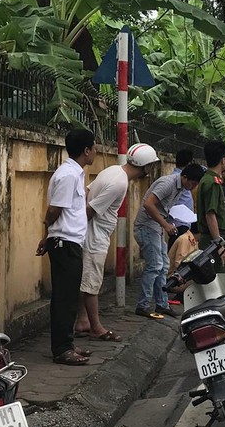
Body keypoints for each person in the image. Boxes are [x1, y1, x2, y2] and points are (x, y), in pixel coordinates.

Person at [75, 143, 160, 341]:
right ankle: (96, 327)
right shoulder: (119, 182)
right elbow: (91, 210)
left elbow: (88, 192)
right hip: (95, 236)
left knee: (85, 280)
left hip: (92, 233)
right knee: (91, 283)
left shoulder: (112, 170)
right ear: (146, 166)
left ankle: (82, 321)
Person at [36, 128, 97, 365]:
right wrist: (48, 231)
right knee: (65, 298)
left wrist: (48, 235)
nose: (95, 151)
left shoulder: (75, 174)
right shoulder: (69, 175)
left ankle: (67, 343)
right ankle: (62, 349)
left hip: (68, 241)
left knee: (69, 296)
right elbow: (54, 209)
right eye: (93, 147)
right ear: (86, 150)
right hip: (65, 243)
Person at [133, 163, 205, 319]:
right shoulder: (168, 183)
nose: (193, 187)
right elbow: (148, 204)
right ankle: (143, 305)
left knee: (163, 265)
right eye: (192, 183)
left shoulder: (180, 188)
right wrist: (165, 224)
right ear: (184, 177)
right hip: (146, 227)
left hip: (156, 228)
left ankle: (162, 304)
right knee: (155, 266)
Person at [196, 141, 225, 274]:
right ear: (223, 160)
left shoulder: (207, 179)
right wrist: (219, 246)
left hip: (211, 238)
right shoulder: (213, 183)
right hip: (213, 239)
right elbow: (210, 215)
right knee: (216, 280)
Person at [168, 149, 195, 250]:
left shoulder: (182, 177)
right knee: (177, 251)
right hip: (178, 222)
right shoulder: (178, 179)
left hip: (183, 222)